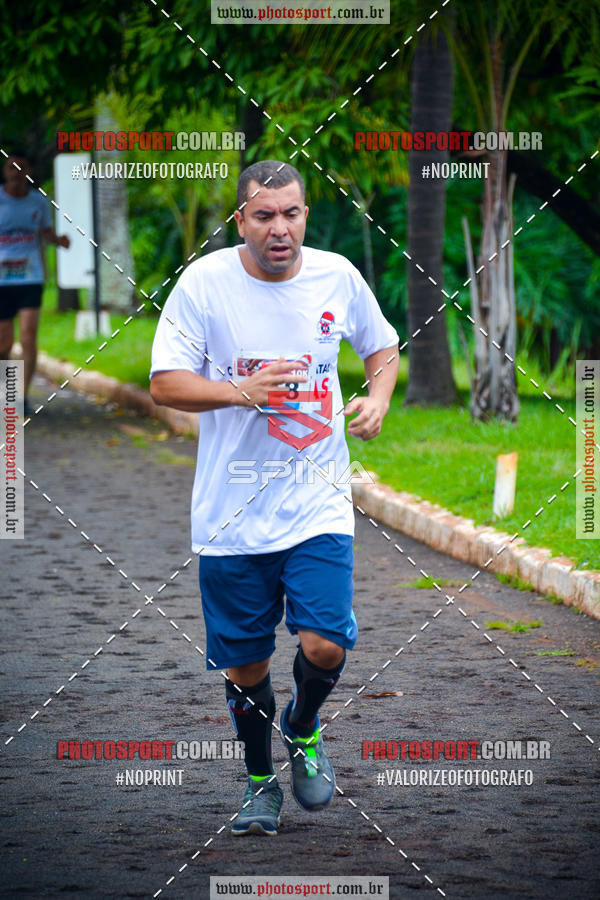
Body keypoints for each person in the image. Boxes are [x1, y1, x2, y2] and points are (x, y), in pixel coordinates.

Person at [150, 160, 399, 835]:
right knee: (246, 664)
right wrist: (240, 392)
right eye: (263, 216)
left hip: (318, 500)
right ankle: (260, 781)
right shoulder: (204, 285)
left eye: (290, 214)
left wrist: (378, 399)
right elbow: (165, 383)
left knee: (326, 643)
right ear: (241, 221)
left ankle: (304, 725)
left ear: (306, 216)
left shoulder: (337, 276)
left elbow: (382, 348)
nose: (279, 228)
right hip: (231, 512)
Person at [0, 151, 70, 415]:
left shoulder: (38, 202)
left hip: (30, 277)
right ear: (5, 172)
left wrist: (59, 241)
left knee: (28, 336)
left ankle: (21, 397)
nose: (16, 173)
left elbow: (46, 232)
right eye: (11, 167)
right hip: (2, 281)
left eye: (21, 168)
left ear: (29, 172)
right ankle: (6, 392)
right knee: (3, 344)